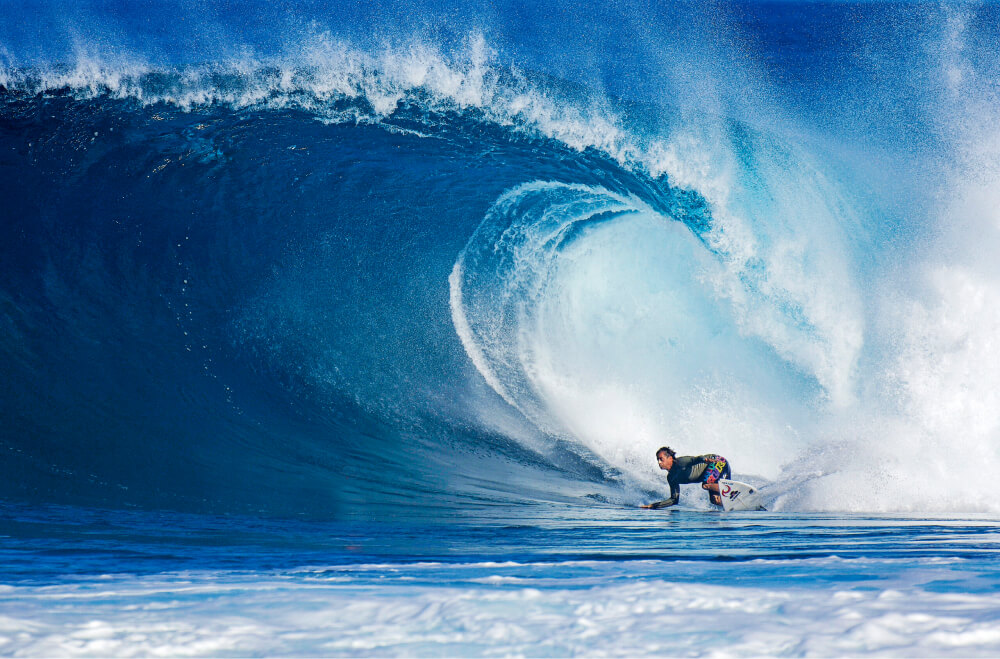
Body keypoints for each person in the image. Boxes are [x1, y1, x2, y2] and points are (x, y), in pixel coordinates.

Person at [640, 446, 731, 509]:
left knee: (706, 485)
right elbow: (674, 500)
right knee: (714, 500)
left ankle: (730, 490)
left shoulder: (681, 462)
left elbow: (696, 459)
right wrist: (653, 506)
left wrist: (706, 460)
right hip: (714, 471)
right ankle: (731, 503)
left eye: (661, 459)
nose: (659, 462)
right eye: (658, 460)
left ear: (670, 458)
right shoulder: (671, 478)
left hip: (717, 461)